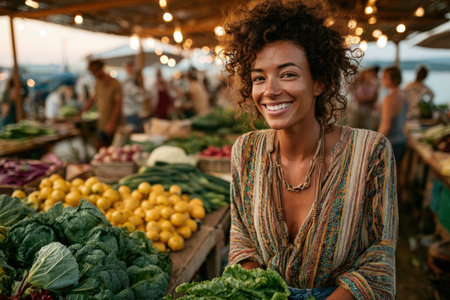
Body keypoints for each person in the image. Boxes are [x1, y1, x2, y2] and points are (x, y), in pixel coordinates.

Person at [223, 1, 398, 299]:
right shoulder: (246, 151)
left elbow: (378, 260)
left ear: (319, 81)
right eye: (259, 77)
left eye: (288, 74)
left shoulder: (370, 151)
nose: (270, 90)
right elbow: (242, 243)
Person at [80, 59, 123, 150]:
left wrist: (112, 122)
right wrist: (82, 111)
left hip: (115, 124)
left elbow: (118, 105)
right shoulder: (97, 83)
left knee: (114, 151)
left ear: (101, 69)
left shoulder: (115, 84)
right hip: (102, 123)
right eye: (92, 72)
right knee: (101, 149)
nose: (94, 74)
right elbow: (92, 99)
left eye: (95, 71)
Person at [378, 66, 408, 165]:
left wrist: (375, 142)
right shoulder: (403, 94)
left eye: (385, 77)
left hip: (391, 144)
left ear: (393, 79)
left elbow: (385, 126)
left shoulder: (389, 99)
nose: (381, 79)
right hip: (402, 141)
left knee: (386, 179)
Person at [121, 61, 145, 131]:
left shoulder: (132, 80)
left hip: (134, 112)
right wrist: (142, 90)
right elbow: (139, 96)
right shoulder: (127, 81)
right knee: (134, 132)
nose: (131, 69)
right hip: (130, 113)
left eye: (131, 67)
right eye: (129, 67)